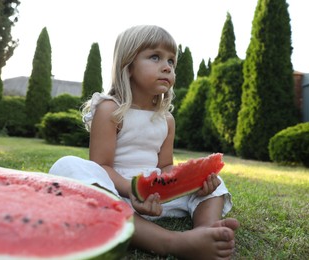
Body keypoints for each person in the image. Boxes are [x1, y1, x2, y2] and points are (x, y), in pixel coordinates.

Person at [49, 25, 239, 259]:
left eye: (171, 61)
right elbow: (101, 166)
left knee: (216, 182)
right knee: (67, 166)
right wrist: (132, 191)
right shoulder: (110, 109)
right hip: (116, 195)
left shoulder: (166, 119)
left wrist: (193, 182)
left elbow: (166, 166)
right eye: (155, 57)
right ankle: (170, 241)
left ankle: (206, 231)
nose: (167, 66)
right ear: (128, 66)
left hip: (157, 198)